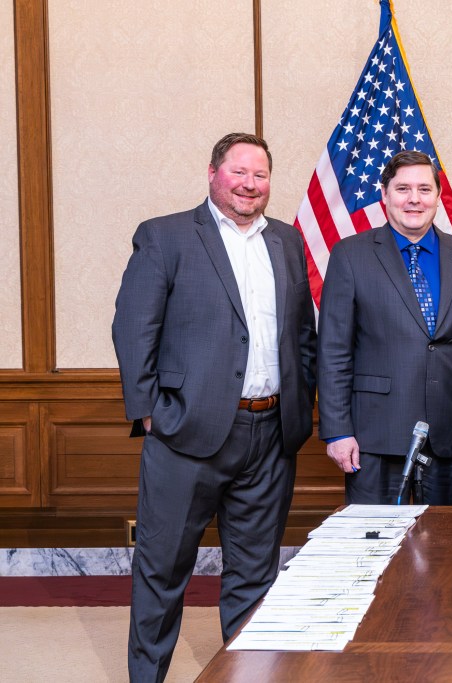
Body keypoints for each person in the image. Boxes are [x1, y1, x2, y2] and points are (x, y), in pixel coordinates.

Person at [112, 132, 317, 682]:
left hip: (270, 433)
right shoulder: (167, 236)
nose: (251, 184)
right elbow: (134, 329)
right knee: (162, 571)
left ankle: (245, 675)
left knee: (255, 575)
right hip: (186, 434)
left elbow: (302, 334)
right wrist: (153, 412)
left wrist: (301, 407)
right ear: (212, 174)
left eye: (261, 174)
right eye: (239, 172)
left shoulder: (287, 242)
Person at [317, 151, 452, 505]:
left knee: (449, 551)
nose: (414, 199)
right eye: (402, 189)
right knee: (372, 550)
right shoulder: (350, 255)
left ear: (437, 195)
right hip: (374, 436)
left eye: (423, 189)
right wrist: (338, 430)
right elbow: (333, 351)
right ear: (384, 194)